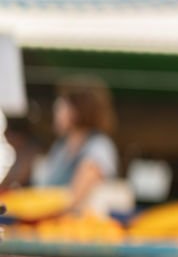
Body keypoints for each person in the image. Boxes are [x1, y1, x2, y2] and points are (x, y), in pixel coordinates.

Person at [32, 77, 119, 210]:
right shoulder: (61, 147)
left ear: (77, 112)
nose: (56, 114)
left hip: (78, 225)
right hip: (51, 222)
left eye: (61, 108)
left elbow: (74, 197)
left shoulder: (99, 146)